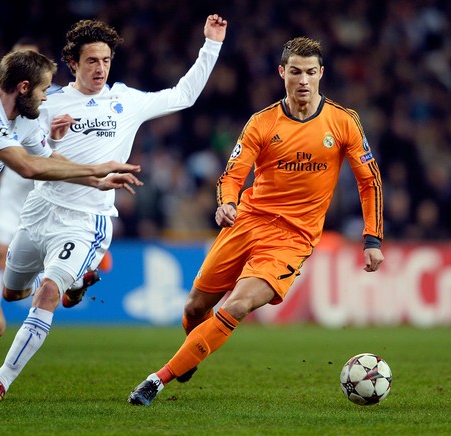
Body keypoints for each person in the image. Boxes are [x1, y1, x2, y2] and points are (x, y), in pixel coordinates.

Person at [0, 14, 227, 402]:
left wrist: (211, 44)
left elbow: (184, 95)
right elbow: (20, 148)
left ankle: (1, 379)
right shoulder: (47, 102)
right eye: (92, 61)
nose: (100, 68)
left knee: (46, 292)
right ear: (73, 63)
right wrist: (50, 137)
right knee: (12, 294)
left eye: (106, 60)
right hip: (40, 209)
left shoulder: (125, 100)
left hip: (85, 220)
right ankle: (76, 283)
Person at [127, 36, 385, 406]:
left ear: (322, 74)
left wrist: (372, 238)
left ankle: (157, 379)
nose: (303, 81)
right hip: (247, 223)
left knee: (237, 304)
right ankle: (191, 355)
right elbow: (231, 176)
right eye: (295, 72)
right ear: (282, 73)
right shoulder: (262, 123)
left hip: (292, 238)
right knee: (194, 309)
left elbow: (369, 181)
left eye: (311, 73)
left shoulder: (343, 122)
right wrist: (227, 204)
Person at [0, 49, 141, 353]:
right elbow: (28, 167)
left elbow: (49, 159)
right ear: (24, 87)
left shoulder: (22, 121)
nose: (46, 98)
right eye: (44, 90)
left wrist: (95, 182)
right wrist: (96, 168)